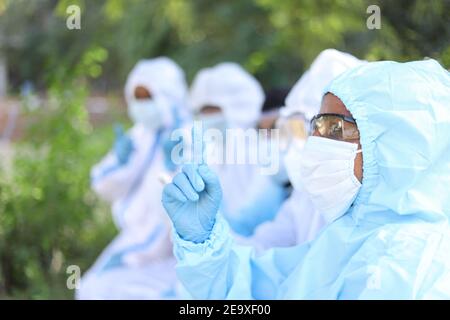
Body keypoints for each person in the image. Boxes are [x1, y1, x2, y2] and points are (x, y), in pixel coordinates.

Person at [162, 59, 450, 299]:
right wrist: (202, 242)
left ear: (395, 146)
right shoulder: (346, 236)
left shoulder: (414, 267)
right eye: (316, 126)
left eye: (335, 129)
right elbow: (253, 288)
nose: (316, 142)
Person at [77, 57, 188, 299]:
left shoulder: (189, 137)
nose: (141, 105)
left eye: (148, 97)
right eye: (137, 98)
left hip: (177, 251)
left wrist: (174, 171)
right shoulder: (138, 137)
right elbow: (103, 188)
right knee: (91, 288)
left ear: (168, 96)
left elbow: (192, 206)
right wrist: (119, 162)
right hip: (135, 240)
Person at [240, 49, 365, 248]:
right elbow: (259, 256)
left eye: (327, 129)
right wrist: (201, 239)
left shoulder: (373, 214)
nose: (308, 141)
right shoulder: (304, 199)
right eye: (293, 128)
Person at [188, 62, 283, 236]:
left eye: (213, 109)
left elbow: (251, 220)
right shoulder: (211, 151)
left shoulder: (264, 151)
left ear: (237, 107)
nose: (207, 118)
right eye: (203, 111)